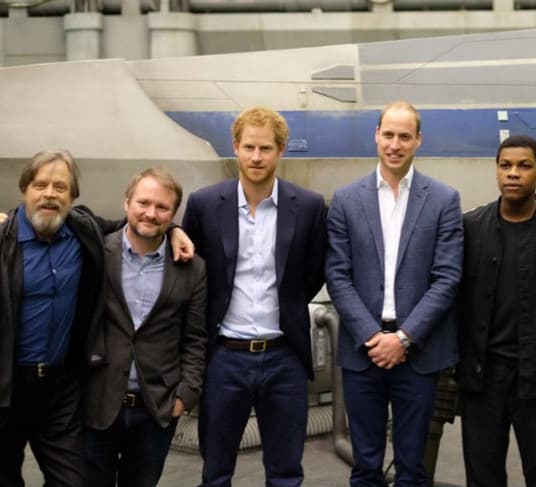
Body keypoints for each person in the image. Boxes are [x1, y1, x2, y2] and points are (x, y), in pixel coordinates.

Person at [0, 151, 193, 487]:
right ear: (24, 190)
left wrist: (173, 229)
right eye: (40, 185)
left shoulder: (84, 231)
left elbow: (139, 222)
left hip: (60, 393)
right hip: (6, 390)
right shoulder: (3, 241)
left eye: (60, 187)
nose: (49, 194)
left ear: (73, 197)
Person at [182, 106, 327, 487]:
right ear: (235, 147)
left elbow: (311, 275)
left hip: (285, 358)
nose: (256, 157)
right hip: (224, 358)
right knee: (215, 471)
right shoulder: (203, 204)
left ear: (281, 150)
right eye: (249, 147)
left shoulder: (310, 207)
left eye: (265, 148)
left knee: (285, 473)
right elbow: (191, 274)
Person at [326, 100, 463, 486]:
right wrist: (373, 336)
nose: (395, 144)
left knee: (412, 467)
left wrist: (403, 338)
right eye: (389, 134)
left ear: (418, 140)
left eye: (405, 136)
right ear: (376, 136)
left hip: (418, 353)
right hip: (362, 352)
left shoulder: (443, 200)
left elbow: (447, 278)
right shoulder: (347, 200)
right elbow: (337, 275)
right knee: (365, 466)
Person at [457, 134, 536, 487]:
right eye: (505, 166)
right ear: (496, 171)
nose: (513, 173)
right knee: (483, 477)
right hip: (482, 381)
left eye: (524, 166)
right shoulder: (471, 229)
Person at [82, 168, 207, 487]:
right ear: (126, 204)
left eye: (163, 207)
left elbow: (194, 339)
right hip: (97, 406)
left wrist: (184, 397)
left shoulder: (192, 268)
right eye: (143, 203)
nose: (151, 213)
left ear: (173, 213)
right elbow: (59, 208)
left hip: (155, 412)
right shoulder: (96, 252)